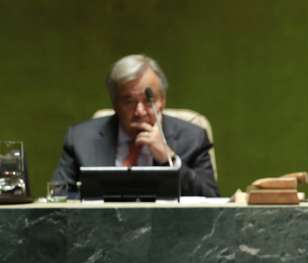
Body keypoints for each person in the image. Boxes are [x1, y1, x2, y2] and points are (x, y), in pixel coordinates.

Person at [51, 54, 219, 197]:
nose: (139, 111)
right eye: (129, 101)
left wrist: (169, 159)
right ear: (115, 103)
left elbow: (212, 198)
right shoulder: (81, 139)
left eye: (148, 100)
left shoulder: (193, 138)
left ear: (162, 101)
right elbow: (58, 195)